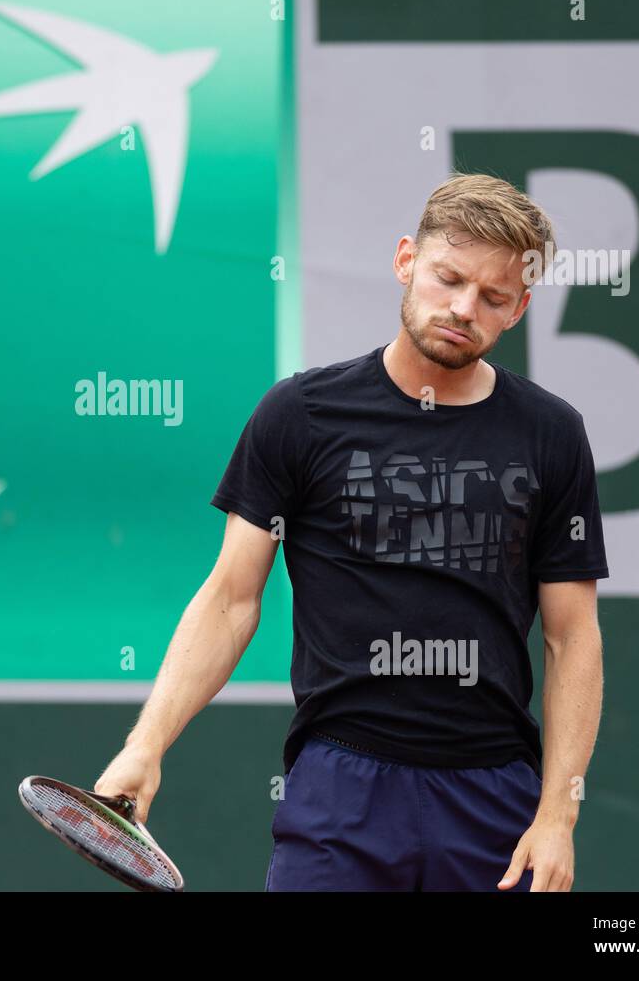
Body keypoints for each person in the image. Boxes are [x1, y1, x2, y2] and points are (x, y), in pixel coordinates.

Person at [94, 173, 608, 891]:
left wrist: (557, 815)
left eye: (493, 296)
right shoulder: (300, 414)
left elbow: (572, 635)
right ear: (406, 261)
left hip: (495, 798)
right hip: (340, 789)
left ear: (519, 308)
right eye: (448, 278)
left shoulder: (552, 433)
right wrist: (145, 745)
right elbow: (231, 599)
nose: (463, 307)